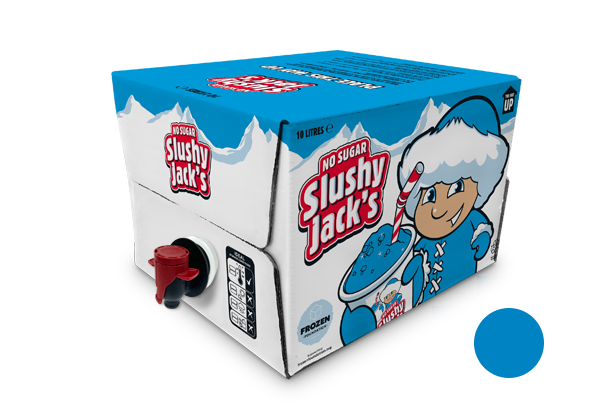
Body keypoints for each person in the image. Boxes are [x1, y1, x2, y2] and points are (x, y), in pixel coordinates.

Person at [399, 97, 509, 307]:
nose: (439, 209)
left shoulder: (472, 219)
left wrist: (483, 238)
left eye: (456, 188)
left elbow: (483, 230)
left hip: (464, 287)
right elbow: (414, 267)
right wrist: (414, 266)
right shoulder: (422, 241)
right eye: (430, 196)